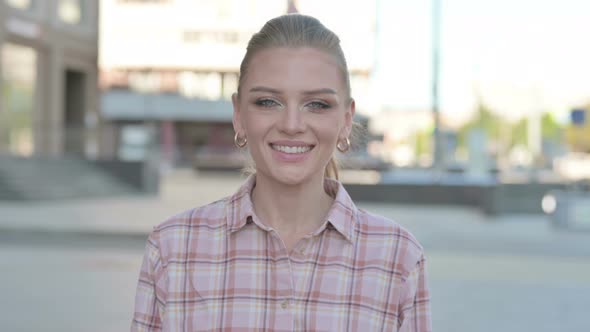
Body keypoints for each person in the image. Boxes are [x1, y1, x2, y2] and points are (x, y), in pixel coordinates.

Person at [131, 14, 431, 332]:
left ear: (346, 119)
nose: (291, 124)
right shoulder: (171, 249)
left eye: (317, 104)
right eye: (268, 101)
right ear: (238, 115)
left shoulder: (398, 257)